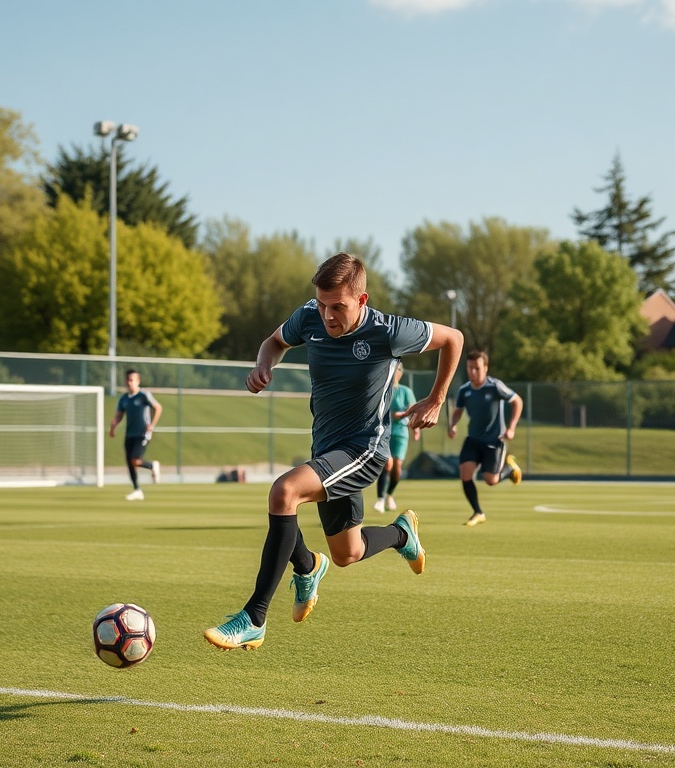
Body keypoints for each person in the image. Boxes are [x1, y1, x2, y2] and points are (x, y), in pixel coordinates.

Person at [204, 252, 464, 650]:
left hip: (364, 451)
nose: (327, 315)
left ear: (361, 301)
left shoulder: (389, 331)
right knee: (347, 552)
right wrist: (264, 365)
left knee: (284, 492)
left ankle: (254, 617)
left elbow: (453, 339)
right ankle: (392, 537)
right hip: (327, 450)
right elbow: (274, 342)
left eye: (337, 306)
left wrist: (435, 399)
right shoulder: (309, 316)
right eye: (322, 304)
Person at [447, 350, 523, 527]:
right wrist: (453, 424)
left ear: (485, 368)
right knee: (465, 474)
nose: (473, 372)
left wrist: (511, 428)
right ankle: (478, 512)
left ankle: (510, 470)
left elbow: (517, 401)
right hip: (473, 440)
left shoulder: (495, 386)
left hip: (494, 441)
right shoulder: (464, 390)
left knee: (491, 480)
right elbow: (458, 411)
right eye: (470, 368)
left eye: (477, 368)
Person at [373, 362, 420, 513]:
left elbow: (413, 410)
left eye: (397, 369)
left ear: (400, 372)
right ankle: (380, 499)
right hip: (384, 433)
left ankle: (389, 495)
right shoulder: (383, 390)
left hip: (401, 432)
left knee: (397, 467)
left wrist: (414, 426)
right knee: (387, 464)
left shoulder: (405, 391)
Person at [109, 369, 162, 501]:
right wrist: (113, 425)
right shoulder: (124, 399)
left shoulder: (143, 395)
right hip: (129, 434)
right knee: (130, 463)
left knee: (135, 459)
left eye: (132, 380)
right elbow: (119, 414)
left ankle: (152, 466)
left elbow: (158, 408)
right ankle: (137, 490)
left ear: (138, 381)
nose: (129, 382)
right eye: (127, 380)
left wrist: (152, 425)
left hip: (142, 433)